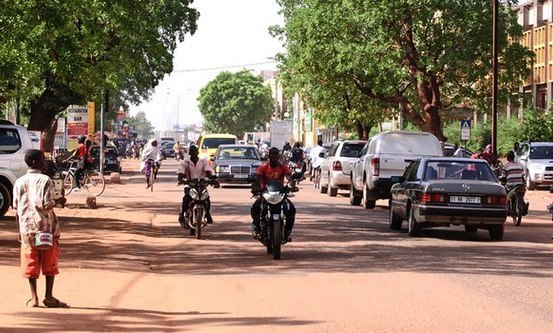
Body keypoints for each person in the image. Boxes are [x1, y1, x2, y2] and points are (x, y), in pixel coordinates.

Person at [13, 149, 68, 308]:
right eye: (43, 160)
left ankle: (34, 297)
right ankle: (49, 296)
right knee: (49, 261)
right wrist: (59, 200)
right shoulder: (45, 180)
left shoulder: (19, 182)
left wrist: (19, 230)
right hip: (45, 228)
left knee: (30, 261)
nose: (45, 163)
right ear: (36, 162)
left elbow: (16, 208)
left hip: (26, 230)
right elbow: (46, 204)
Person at [250, 147, 296, 242]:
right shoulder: (262, 168)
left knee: (291, 209)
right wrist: (255, 188)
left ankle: (287, 231)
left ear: (279, 156)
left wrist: (292, 185)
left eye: (276, 154)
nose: (274, 156)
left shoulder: (283, 167)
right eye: (272, 154)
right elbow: (257, 179)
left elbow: (289, 177)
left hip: (280, 195)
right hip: (266, 195)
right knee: (255, 208)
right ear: (269, 155)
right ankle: (256, 228)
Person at [177, 145, 216, 226]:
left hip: (201, 184)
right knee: (186, 198)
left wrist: (212, 178)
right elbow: (181, 172)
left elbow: (208, 171)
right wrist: (181, 179)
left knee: (207, 199)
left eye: (196, 151)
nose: (195, 153)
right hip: (190, 185)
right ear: (190, 153)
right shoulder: (185, 162)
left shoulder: (203, 161)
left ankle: (207, 213)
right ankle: (182, 215)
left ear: (198, 152)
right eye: (193, 151)